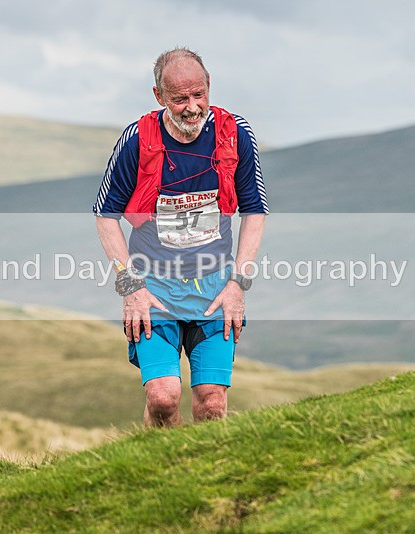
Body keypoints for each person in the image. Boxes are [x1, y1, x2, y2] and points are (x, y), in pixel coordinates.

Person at [93, 47, 268, 427]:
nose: (192, 107)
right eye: (179, 99)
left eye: (199, 95)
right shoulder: (138, 139)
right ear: (159, 97)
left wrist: (238, 284)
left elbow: (254, 211)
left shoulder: (234, 133)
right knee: (162, 398)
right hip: (153, 288)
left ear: (209, 87)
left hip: (215, 287)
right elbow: (106, 216)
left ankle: (203, 479)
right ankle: (160, 472)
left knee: (211, 405)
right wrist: (130, 286)